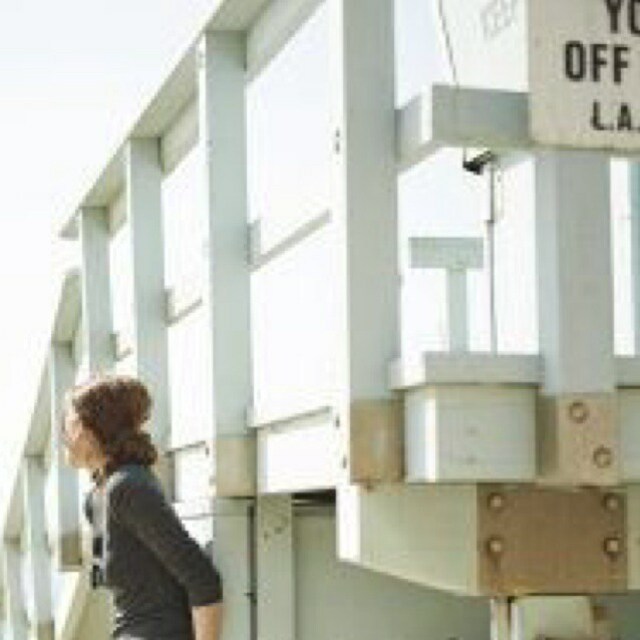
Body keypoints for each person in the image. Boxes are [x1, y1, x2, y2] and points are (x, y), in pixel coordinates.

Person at [60, 372, 224, 640]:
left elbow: (202, 579)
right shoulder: (97, 498)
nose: (64, 436)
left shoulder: (129, 487)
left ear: (91, 429)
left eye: (69, 424)